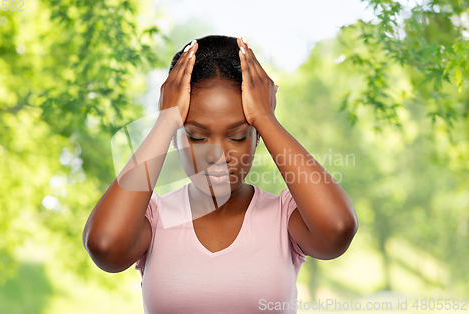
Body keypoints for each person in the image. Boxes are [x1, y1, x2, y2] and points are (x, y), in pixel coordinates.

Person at [82, 35, 358, 313]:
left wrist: (265, 118)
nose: (217, 155)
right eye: (197, 137)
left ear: (259, 137)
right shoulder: (153, 218)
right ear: (175, 137)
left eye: (238, 136)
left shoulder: (285, 216)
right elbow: (105, 247)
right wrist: (165, 121)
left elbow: (336, 230)